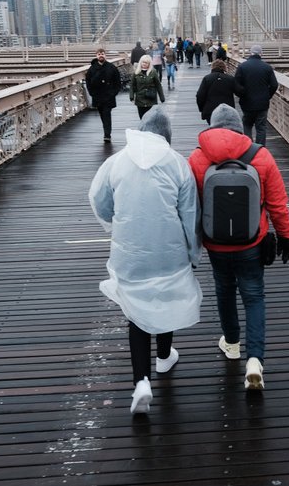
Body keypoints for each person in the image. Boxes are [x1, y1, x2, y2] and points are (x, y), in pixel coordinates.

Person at [89, 107, 202, 415]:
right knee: (163, 300)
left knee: (136, 312)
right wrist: (194, 252)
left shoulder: (117, 161)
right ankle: (164, 358)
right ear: (166, 135)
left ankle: (141, 382)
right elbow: (190, 214)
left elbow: (99, 200)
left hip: (130, 252)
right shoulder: (177, 164)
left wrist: (117, 221)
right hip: (169, 249)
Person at [188, 104, 289, 391]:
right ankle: (255, 361)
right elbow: (277, 203)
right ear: (238, 127)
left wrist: (189, 244)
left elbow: (189, 208)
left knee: (224, 289)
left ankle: (232, 344)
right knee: (254, 296)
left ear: (211, 127)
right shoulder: (261, 156)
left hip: (216, 243)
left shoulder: (197, 158)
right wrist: (286, 237)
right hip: (252, 240)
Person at [234, 44, 279, 146]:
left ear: (251, 53)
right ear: (261, 54)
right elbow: (274, 85)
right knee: (261, 127)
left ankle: (248, 147)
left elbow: (236, 84)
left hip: (247, 102)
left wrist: (242, 95)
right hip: (262, 103)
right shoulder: (267, 67)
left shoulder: (242, 67)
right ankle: (260, 149)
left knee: (247, 124)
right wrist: (268, 96)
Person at [84, 47, 121, 142]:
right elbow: (88, 82)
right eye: (99, 54)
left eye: (102, 54)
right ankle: (107, 131)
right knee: (102, 114)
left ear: (105, 55)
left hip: (109, 96)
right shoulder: (92, 69)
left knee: (107, 114)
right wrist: (92, 93)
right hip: (98, 96)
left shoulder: (111, 67)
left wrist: (114, 93)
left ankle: (107, 135)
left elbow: (117, 81)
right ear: (96, 56)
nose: (101, 55)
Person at [195, 59, 243, 124]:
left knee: (213, 129)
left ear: (212, 67)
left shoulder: (207, 78)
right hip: (227, 110)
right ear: (224, 68)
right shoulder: (230, 79)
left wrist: (202, 109)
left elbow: (200, 95)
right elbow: (240, 92)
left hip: (211, 111)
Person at [130, 55, 165, 119]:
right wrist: (131, 96)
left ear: (149, 64)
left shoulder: (153, 72)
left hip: (151, 99)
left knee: (151, 119)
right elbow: (132, 85)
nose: (144, 64)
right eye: (143, 62)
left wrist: (162, 97)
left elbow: (158, 85)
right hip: (140, 100)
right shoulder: (136, 73)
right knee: (142, 119)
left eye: (146, 63)